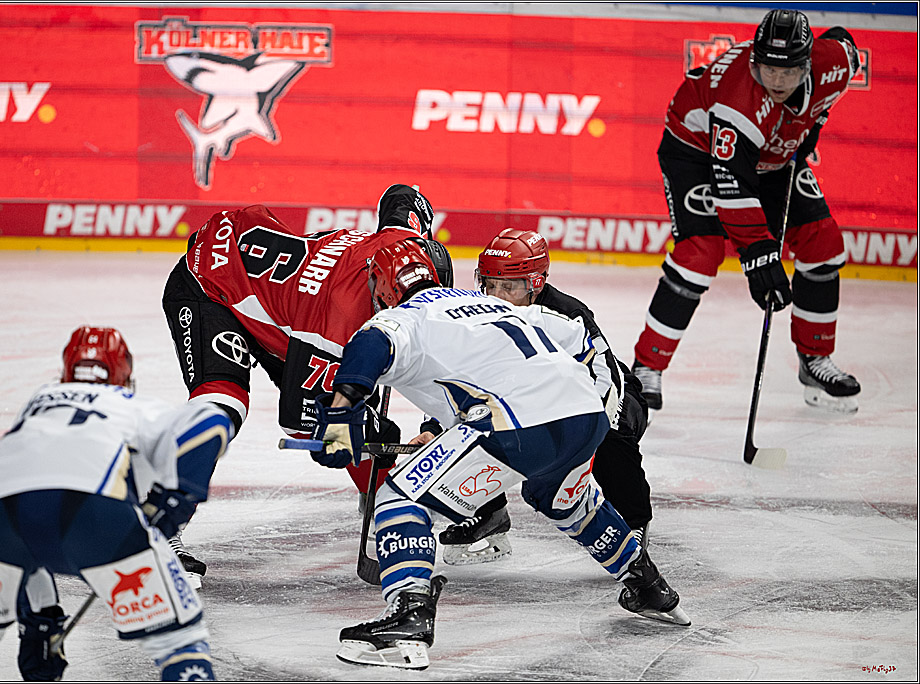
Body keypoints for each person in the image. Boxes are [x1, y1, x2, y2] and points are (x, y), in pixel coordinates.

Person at [311, 240, 689, 670]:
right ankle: (646, 584)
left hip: (517, 421)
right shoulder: (489, 304)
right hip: (584, 412)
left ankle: (409, 617)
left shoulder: (402, 318)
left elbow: (371, 346)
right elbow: (577, 337)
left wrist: (340, 417)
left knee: (398, 499)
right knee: (563, 498)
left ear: (381, 287)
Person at [161, 184, 453, 581]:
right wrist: (364, 430)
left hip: (285, 302)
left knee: (355, 410)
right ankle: (158, 529)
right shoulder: (337, 326)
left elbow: (403, 197)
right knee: (224, 403)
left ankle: (385, 510)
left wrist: (433, 425)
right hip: (213, 282)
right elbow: (303, 422)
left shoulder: (404, 247)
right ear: (379, 298)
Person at [0, 326, 234, 682]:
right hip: (95, 515)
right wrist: (175, 501)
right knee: (180, 643)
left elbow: (32, 518)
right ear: (124, 375)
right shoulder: (132, 405)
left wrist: (40, 620)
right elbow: (211, 424)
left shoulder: (38, 402)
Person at [632, 9, 862, 414]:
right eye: (767, 68)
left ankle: (815, 359)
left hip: (772, 155)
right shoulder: (739, 98)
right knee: (700, 254)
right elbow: (733, 185)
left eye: (788, 71)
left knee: (823, 244)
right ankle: (646, 367)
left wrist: (814, 122)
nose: (776, 80)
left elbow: (844, 41)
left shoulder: (835, 66)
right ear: (754, 59)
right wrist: (759, 257)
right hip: (698, 152)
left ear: (808, 64)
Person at [429, 228, 652, 565]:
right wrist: (434, 427)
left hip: (603, 395)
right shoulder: (480, 316)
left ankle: (633, 520)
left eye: (509, 286)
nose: (497, 296)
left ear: (535, 283)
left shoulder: (568, 314)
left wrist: (582, 440)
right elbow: (458, 382)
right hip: (532, 399)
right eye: (490, 284)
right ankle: (489, 514)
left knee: (610, 435)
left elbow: (606, 379)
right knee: (475, 424)